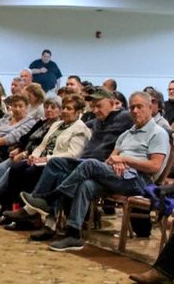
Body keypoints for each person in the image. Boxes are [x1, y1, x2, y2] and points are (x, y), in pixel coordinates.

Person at [21, 91, 169, 252]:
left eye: (139, 107)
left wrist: (125, 160)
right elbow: (111, 159)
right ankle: (74, 234)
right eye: (132, 107)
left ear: (149, 107)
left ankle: (50, 198)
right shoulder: (127, 134)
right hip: (117, 175)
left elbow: (155, 166)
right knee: (84, 183)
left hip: (139, 180)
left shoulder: (158, 133)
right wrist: (116, 162)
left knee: (90, 164)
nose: (134, 111)